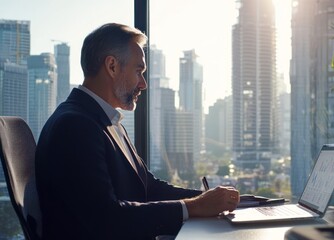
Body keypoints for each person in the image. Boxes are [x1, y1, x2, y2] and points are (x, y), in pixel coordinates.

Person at [35, 23, 240, 240]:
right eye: (138, 71)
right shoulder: (74, 126)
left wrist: (213, 200)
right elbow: (106, 219)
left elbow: (148, 187)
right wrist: (193, 207)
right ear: (112, 66)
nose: (143, 84)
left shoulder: (105, 121)